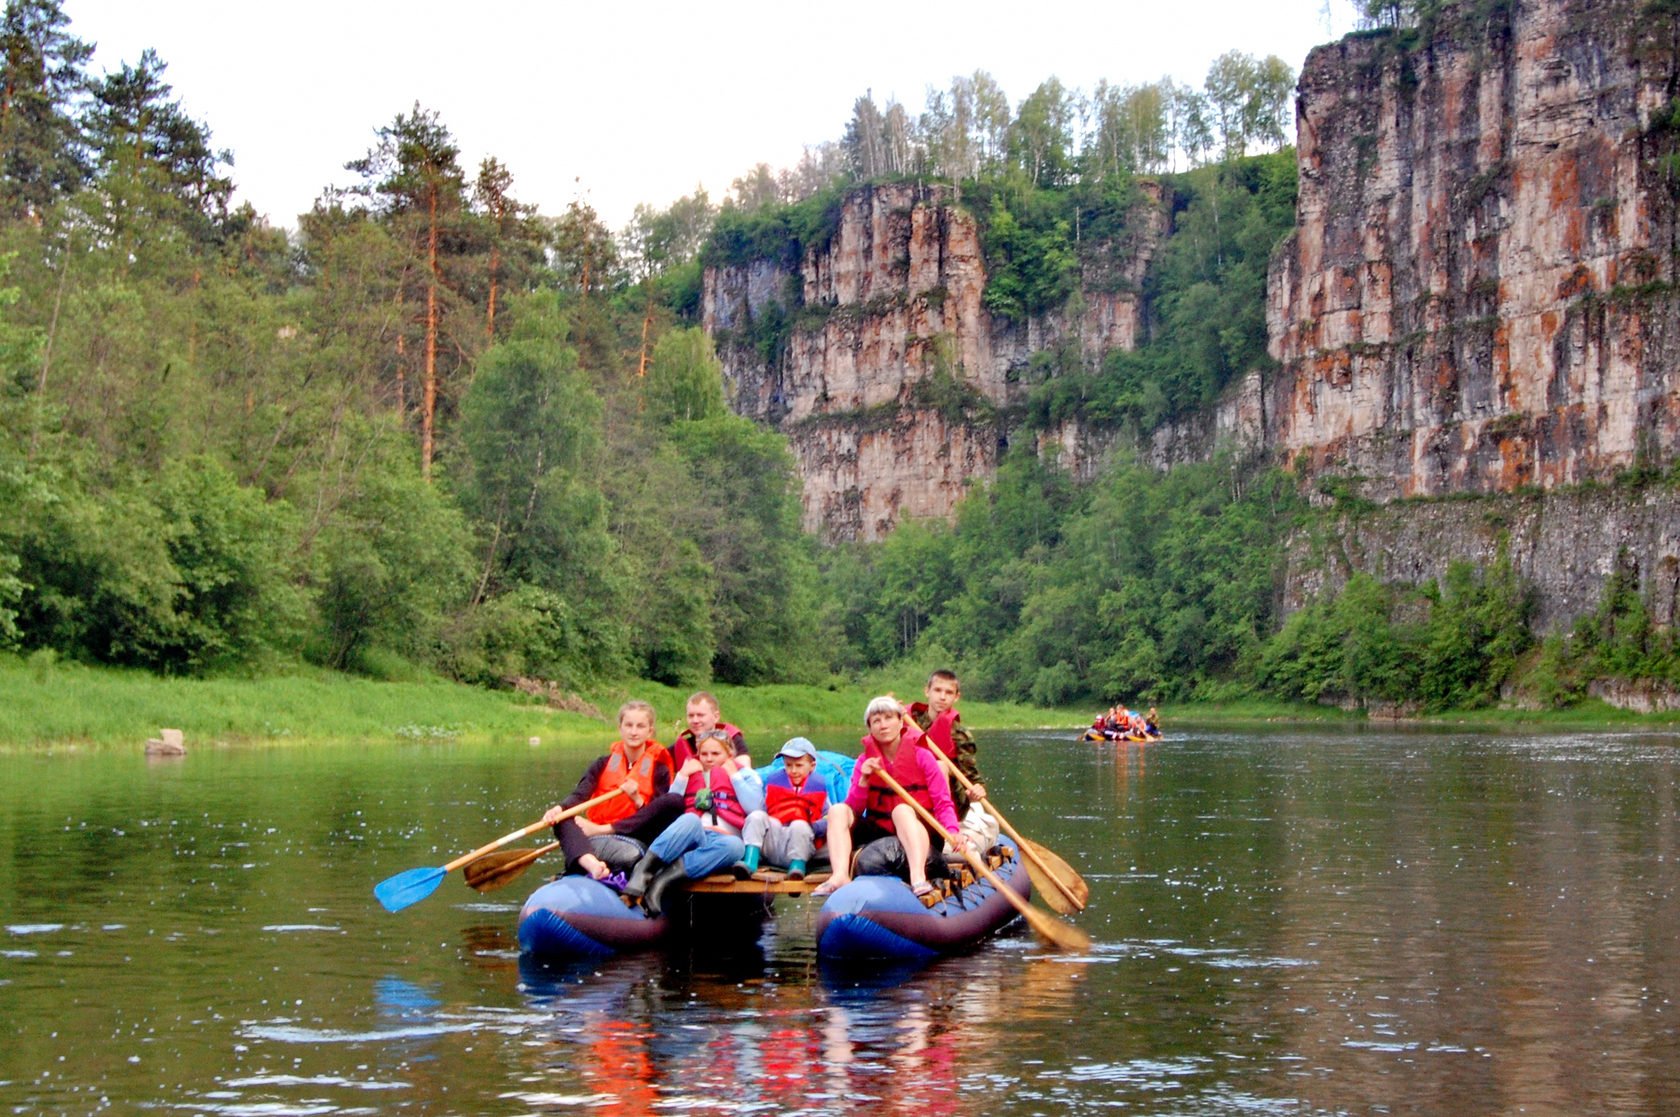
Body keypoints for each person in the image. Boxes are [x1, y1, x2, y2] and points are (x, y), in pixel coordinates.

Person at [812, 695, 967, 899]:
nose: (883, 725)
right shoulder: (864, 761)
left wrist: (952, 831)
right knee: (838, 810)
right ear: (870, 728)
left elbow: (942, 802)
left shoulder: (923, 756)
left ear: (900, 722)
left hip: (922, 829)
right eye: (876, 721)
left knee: (901, 810)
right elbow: (855, 808)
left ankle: (918, 877)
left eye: (888, 718)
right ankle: (840, 875)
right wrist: (864, 781)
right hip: (882, 831)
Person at [622, 728, 763, 915]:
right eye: (704, 754)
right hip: (692, 834)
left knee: (736, 846)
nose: (709, 758)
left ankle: (662, 881)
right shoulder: (689, 773)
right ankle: (643, 872)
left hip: (722, 840)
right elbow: (668, 806)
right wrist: (681, 776)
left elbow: (755, 807)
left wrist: (734, 776)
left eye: (716, 753)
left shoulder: (744, 774)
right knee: (690, 819)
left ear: (729, 754)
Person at [541, 700, 683, 882]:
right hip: (594, 829)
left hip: (634, 833)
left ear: (650, 731)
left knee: (673, 801)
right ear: (620, 728)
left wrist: (636, 798)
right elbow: (580, 795)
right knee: (562, 819)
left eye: (640, 726)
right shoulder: (602, 764)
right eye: (629, 725)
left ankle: (595, 844)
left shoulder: (659, 769)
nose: (633, 731)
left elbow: (654, 819)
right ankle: (591, 863)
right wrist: (559, 810)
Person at [741, 737, 830, 879]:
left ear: (812, 766)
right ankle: (750, 859)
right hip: (774, 844)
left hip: (801, 845)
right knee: (756, 815)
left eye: (799, 765)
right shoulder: (774, 784)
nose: (793, 770)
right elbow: (763, 813)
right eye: (788, 765)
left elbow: (829, 819)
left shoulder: (819, 789)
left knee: (799, 825)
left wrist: (814, 827)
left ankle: (797, 867)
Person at [906, 669, 986, 818]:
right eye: (937, 690)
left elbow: (972, 779)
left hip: (949, 798)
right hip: (913, 788)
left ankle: (944, 823)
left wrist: (976, 790)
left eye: (949, 693)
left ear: (956, 697)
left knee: (940, 765)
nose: (942, 697)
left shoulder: (960, 735)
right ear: (927, 691)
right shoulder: (908, 720)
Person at [669, 690, 748, 768]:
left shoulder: (733, 740)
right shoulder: (680, 747)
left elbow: (746, 771)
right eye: (691, 716)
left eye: (700, 715)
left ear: (716, 716)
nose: (695, 720)